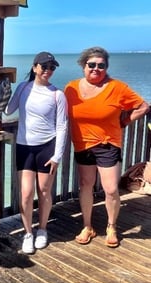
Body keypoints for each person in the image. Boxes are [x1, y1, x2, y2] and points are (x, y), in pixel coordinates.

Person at [64, 46, 149, 248]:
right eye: (91, 65)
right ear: (83, 66)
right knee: (85, 186)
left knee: (110, 189)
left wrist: (125, 121)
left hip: (107, 143)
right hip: (82, 144)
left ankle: (111, 226)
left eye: (101, 65)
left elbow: (143, 106)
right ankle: (88, 226)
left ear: (106, 67)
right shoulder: (71, 88)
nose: (96, 69)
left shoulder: (116, 87)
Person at [5, 52, 68, 254]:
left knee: (43, 191)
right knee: (25, 194)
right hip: (24, 147)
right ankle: (28, 233)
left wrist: (57, 155)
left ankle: (42, 229)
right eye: (44, 66)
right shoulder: (23, 88)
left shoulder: (57, 95)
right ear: (34, 68)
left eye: (52, 67)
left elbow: (62, 127)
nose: (48, 71)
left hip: (46, 148)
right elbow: (8, 110)